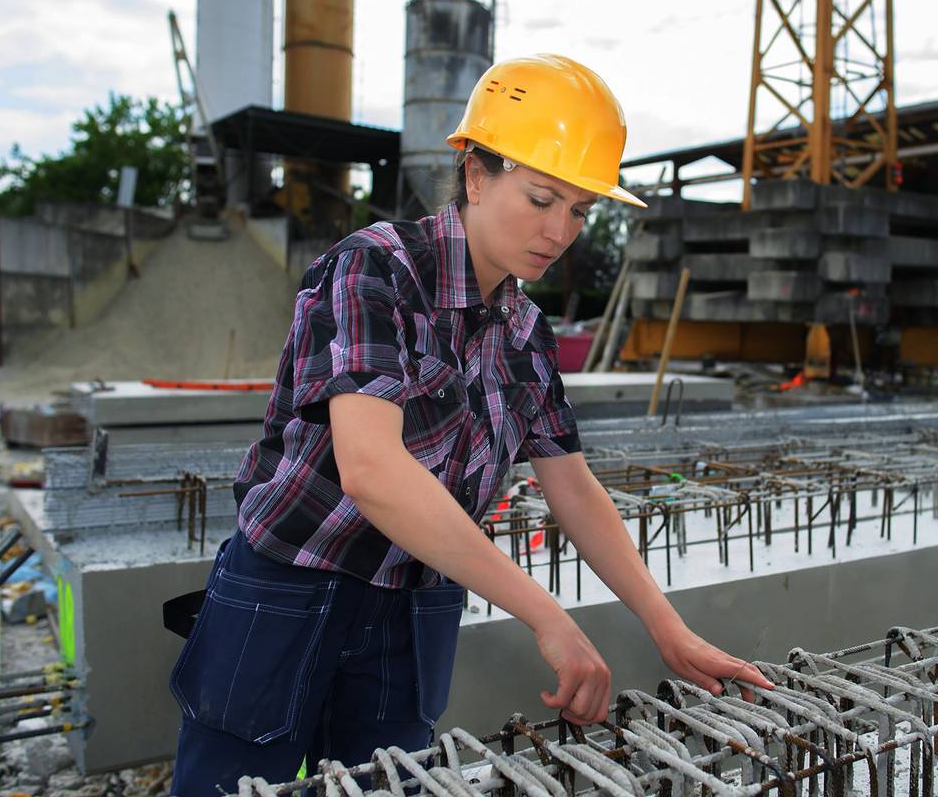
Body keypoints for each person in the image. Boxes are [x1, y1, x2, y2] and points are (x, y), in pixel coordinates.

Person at [167, 53, 772, 794]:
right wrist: (549, 617)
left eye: (581, 210)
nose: (560, 231)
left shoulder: (525, 329)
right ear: (477, 175)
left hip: (415, 600)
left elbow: (573, 487)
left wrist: (668, 630)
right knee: (234, 785)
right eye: (543, 198)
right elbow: (372, 471)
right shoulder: (374, 271)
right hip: (291, 586)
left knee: (388, 783)